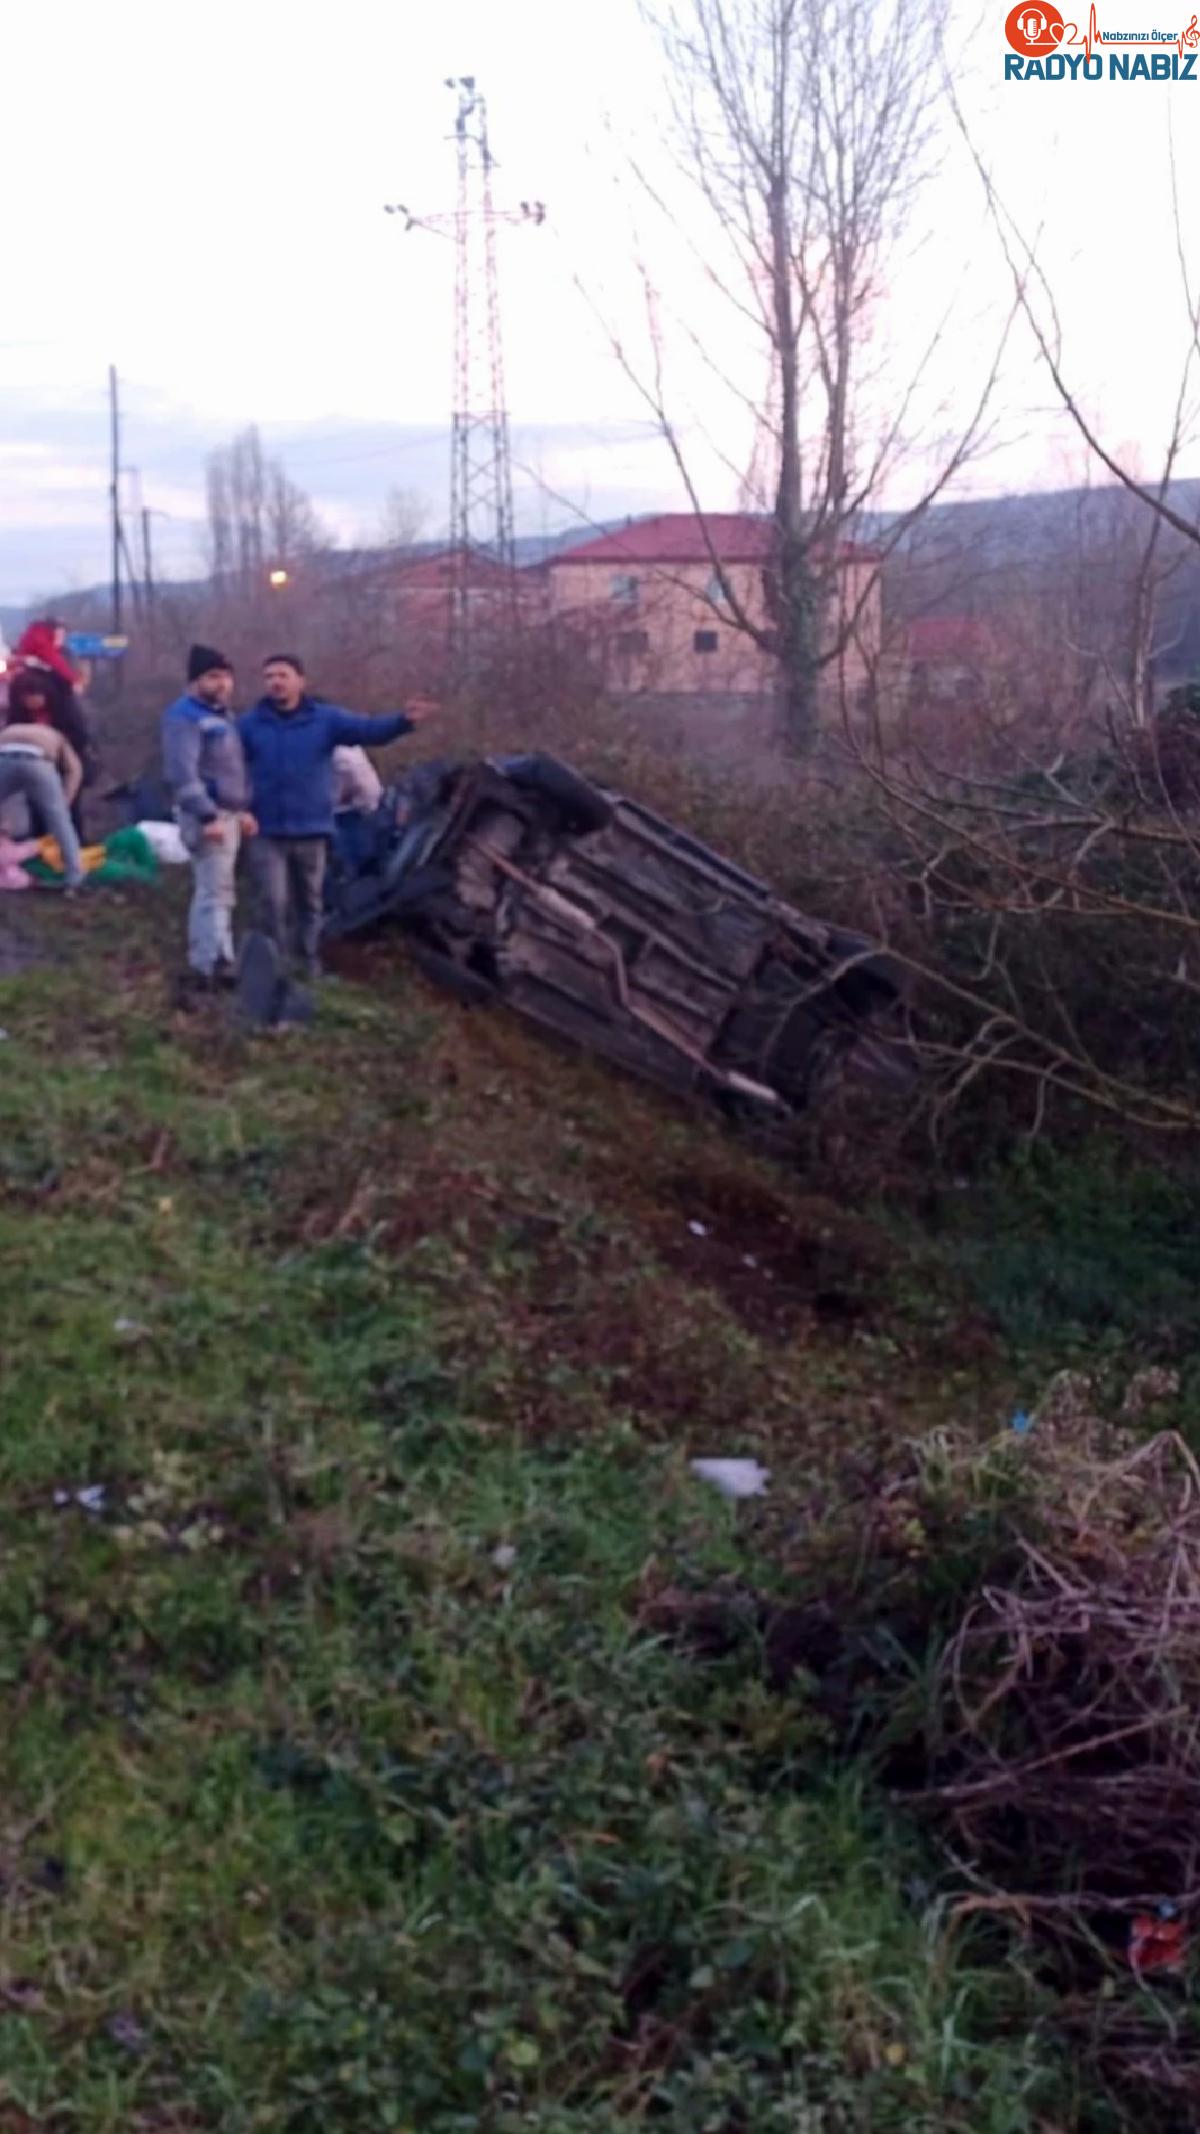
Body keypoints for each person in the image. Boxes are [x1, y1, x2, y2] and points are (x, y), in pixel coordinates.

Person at [239, 655, 435, 979]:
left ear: (301, 681)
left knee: (311, 903)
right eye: (269, 676)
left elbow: (369, 730)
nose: (276, 681)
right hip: (267, 829)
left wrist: (403, 721)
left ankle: (309, 963)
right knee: (272, 901)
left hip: (311, 828)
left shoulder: (325, 720)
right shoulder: (250, 724)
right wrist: (235, 807)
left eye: (283, 675)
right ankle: (276, 967)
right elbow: (227, 766)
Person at [161, 646, 257, 993]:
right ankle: (208, 964)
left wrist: (243, 808)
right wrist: (206, 815)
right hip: (207, 816)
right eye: (213, 676)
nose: (222, 683)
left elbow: (235, 768)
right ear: (196, 681)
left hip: (230, 814)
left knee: (222, 890)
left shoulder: (225, 717)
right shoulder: (184, 717)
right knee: (213, 891)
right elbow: (182, 773)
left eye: (226, 676)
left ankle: (220, 956)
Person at [0, 720, 85, 889]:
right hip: (38, 761)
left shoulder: (9, 729)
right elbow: (75, 770)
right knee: (60, 822)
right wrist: (64, 801)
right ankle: (75, 875)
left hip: (4, 758)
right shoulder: (58, 737)